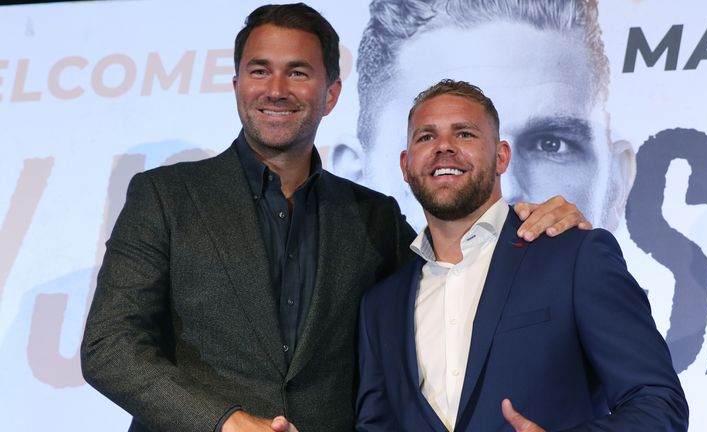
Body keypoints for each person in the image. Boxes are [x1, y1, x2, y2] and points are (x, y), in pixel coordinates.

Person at [81, 4, 589, 432]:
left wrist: (531, 219)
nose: (276, 88)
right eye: (260, 70)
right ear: (237, 85)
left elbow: (460, 280)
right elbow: (109, 347)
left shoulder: (375, 217)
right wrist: (225, 421)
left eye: (298, 72)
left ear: (332, 93)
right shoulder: (166, 197)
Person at [356, 80, 688, 431]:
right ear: (406, 165)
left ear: (501, 156)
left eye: (465, 134)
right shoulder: (381, 304)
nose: (444, 147)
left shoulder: (575, 257)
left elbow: (658, 404)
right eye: (426, 137)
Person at [332, 0, 635, 231]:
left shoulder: (598, 283)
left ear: (616, 183)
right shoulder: (374, 307)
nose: (505, 190)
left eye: (550, 145)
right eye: (432, 140)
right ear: (354, 183)